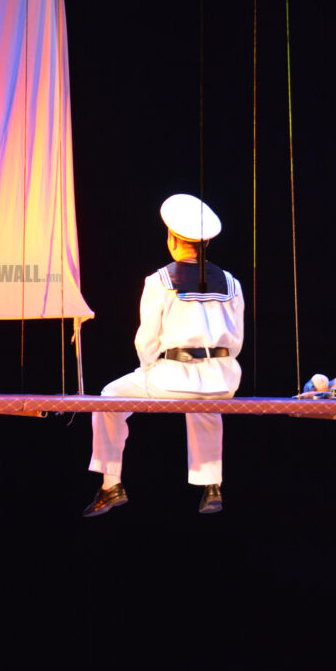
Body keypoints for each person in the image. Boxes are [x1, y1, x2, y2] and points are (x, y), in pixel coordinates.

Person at [84, 193, 244, 517]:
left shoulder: (159, 281)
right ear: (205, 244)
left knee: (109, 396)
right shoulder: (232, 283)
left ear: (172, 239)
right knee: (205, 400)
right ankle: (212, 485)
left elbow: (146, 340)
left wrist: (149, 368)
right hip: (223, 380)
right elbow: (237, 340)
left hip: (173, 379)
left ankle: (110, 485)